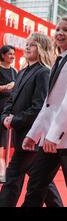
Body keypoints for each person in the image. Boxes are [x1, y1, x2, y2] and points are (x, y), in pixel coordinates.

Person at [22, 16, 67, 207]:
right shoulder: (58, 60)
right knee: (36, 185)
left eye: (66, 30)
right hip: (50, 139)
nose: (60, 33)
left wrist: (53, 136)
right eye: (58, 30)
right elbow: (49, 104)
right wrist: (33, 134)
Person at [0, 34, 63, 207]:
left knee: (12, 176)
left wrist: (15, 120)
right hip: (21, 134)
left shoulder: (44, 72)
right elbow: (11, 101)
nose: (27, 48)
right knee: (41, 179)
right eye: (27, 45)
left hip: (33, 135)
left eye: (32, 45)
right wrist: (5, 117)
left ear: (42, 48)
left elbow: (39, 107)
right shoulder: (21, 73)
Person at [0, 45, 17, 182]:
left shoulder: (14, 71)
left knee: (6, 140)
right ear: (3, 55)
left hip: (8, 109)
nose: (12, 56)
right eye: (9, 54)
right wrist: (5, 87)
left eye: (13, 54)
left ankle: (4, 169)